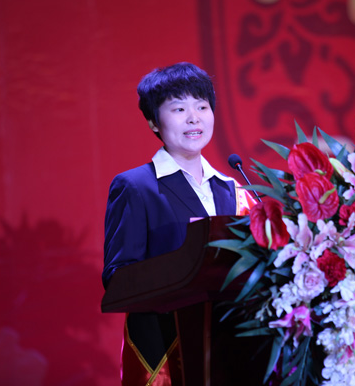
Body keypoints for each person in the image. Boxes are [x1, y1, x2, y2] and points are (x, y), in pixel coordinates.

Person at [102, 62, 255, 385]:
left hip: (230, 348)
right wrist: (185, 270)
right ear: (153, 122)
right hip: (167, 351)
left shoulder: (233, 189)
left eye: (202, 106)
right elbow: (117, 275)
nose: (193, 118)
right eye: (179, 109)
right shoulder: (136, 186)